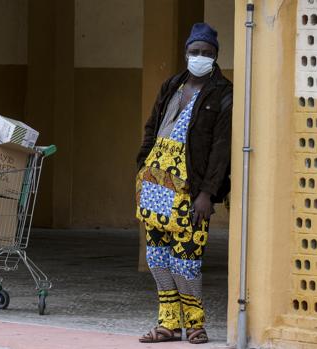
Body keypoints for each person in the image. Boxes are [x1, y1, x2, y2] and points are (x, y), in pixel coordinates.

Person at [135, 23, 232, 344]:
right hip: (154, 185)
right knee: (158, 259)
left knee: (186, 260)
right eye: (195, 52)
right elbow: (152, 126)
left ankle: (195, 325)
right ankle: (167, 324)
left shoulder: (222, 93)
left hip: (191, 190)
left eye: (206, 53)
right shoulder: (172, 85)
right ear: (186, 53)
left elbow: (221, 147)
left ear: (216, 56)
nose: (200, 57)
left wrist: (207, 194)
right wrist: (142, 166)